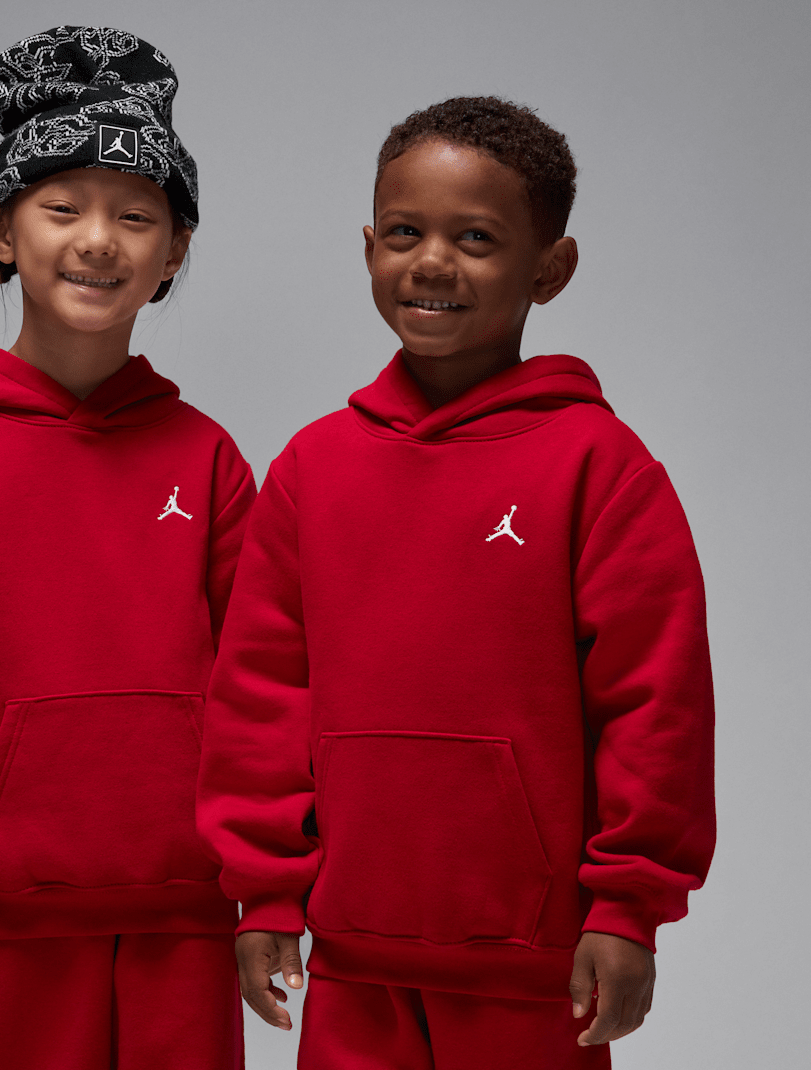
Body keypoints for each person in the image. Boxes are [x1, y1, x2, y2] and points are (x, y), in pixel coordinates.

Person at [196, 96, 715, 1069]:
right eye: (404, 233)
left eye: (475, 237)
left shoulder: (598, 467)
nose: (431, 262)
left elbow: (654, 705)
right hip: (351, 962)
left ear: (549, 268)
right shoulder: (312, 469)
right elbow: (261, 696)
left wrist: (627, 907)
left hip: (532, 966)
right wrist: (263, 891)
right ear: (367, 249)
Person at [0, 26, 254, 1070]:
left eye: (136, 216)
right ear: (0, 229)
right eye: (62, 207)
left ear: (174, 251)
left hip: (188, 903)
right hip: (7, 909)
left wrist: (269, 880)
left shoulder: (207, 457)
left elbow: (261, 678)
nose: (99, 241)